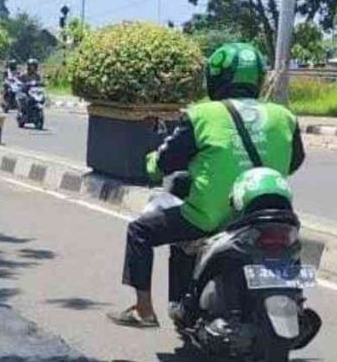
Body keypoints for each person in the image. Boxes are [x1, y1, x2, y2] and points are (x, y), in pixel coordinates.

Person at [108, 42, 304, 328]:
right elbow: (294, 162)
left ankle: (143, 308)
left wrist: (151, 164)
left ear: (216, 77)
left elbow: (165, 162)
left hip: (209, 218)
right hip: (268, 214)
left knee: (139, 231)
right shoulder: (284, 116)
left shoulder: (202, 114)